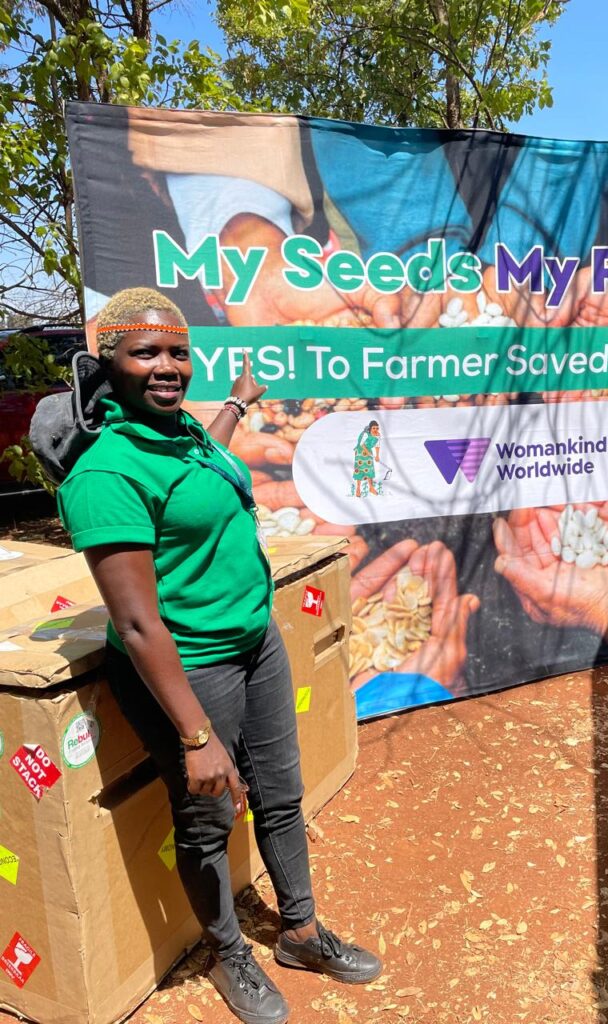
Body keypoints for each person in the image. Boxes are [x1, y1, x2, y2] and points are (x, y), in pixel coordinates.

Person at [56, 287, 382, 1024]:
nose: (168, 366)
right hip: (191, 669)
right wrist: (196, 736)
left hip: (255, 643)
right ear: (110, 363)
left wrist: (234, 404)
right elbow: (138, 625)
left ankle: (299, 932)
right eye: (146, 352)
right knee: (206, 821)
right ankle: (229, 951)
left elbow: (201, 472)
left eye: (178, 352)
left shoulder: (179, 433)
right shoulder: (107, 472)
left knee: (282, 795)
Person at [352, 421, 380, 497]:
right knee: (360, 469)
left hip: (368, 452)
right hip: (360, 452)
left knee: (370, 469)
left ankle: (371, 487)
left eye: (377, 428)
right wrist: (367, 452)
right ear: (370, 428)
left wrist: (377, 455)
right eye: (373, 428)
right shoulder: (365, 434)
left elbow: (377, 445)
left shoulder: (377, 435)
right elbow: (362, 444)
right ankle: (358, 489)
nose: (375, 430)